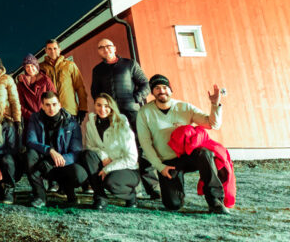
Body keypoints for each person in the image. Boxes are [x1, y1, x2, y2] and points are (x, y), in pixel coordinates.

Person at [136, 74, 229, 214]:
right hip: (168, 162)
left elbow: (212, 124)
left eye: (164, 87)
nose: (161, 91)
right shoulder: (145, 113)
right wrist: (160, 167)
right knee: (173, 205)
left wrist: (215, 105)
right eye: (156, 88)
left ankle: (215, 201)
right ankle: (176, 195)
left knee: (205, 153)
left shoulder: (184, 107)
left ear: (171, 90)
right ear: (152, 92)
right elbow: (145, 144)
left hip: (188, 155)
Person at [90, 39, 158, 197]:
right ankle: (133, 185)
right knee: (120, 148)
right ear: (99, 52)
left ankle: (152, 187)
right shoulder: (98, 70)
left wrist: (135, 98)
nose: (105, 49)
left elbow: (145, 84)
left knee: (141, 147)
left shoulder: (129, 64)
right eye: (101, 48)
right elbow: (95, 92)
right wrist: (104, 107)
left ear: (114, 47)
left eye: (108, 46)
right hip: (112, 116)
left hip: (132, 112)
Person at [25, 91, 87, 208]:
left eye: (54, 104)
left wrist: (55, 161)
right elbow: (30, 141)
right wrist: (50, 151)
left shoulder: (72, 123)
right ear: (42, 106)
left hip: (63, 163)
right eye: (47, 105)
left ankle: (68, 191)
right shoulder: (35, 118)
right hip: (42, 164)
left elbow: (76, 152)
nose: (51, 108)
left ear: (60, 104)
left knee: (79, 174)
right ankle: (40, 196)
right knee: (30, 154)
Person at [79, 93, 140, 209]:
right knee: (86, 155)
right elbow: (90, 146)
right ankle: (100, 197)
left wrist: (108, 168)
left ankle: (131, 196)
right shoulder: (91, 123)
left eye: (106, 106)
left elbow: (132, 158)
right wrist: (103, 156)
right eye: (99, 105)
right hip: (104, 163)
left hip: (127, 169)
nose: (102, 109)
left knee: (110, 182)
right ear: (94, 106)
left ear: (112, 107)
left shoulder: (122, 125)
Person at [40, 40, 88, 123]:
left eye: (55, 48)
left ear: (59, 49)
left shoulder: (70, 65)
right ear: (46, 51)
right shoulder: (41, 68)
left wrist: (83, 109)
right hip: (50, 113)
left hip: (70, 110)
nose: (52, 51)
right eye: (50, 49)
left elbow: (80, 87)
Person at [16, 54, 55, 122]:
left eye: (32, 65)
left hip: (47, 118)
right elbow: (20, 105)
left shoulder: (45, 80)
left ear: (36, 66)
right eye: (27, 66)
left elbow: (54, 98)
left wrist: (48, 113)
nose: (30, 69)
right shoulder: (21, 84)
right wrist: (32, 116)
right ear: (25, 69)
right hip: (30, 121)